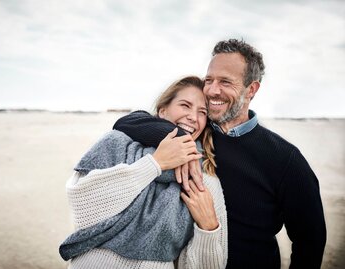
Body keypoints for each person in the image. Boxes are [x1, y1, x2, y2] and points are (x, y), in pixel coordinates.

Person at [113, 39, 327, 268]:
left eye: (225, 82)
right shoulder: (197, 132)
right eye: (209, 80)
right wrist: (179, 138)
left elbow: (310, 241)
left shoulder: (285, 158)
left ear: (251, 89)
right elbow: (128, 121)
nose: (213, 90)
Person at [60, 76, 228, 269]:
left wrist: (208, 228)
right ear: (163, 111)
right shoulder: (116, 143)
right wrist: (155, 164)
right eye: (185, 105)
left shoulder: (202, 179)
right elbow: (83, 209)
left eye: (202, 112)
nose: (193, 117)